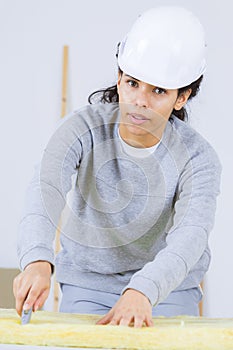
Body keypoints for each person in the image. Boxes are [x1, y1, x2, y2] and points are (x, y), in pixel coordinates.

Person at [13, 6, 221, 328]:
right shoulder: (80, 129)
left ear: (182, 97)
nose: (140, 101)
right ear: (120, 78)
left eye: (159, 91)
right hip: (89, 284)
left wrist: (144, 289)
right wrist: (37, 258)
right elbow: (46, 189)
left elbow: (190, 235)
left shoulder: (199, 158)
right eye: (133, 83)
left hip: (168, 291)